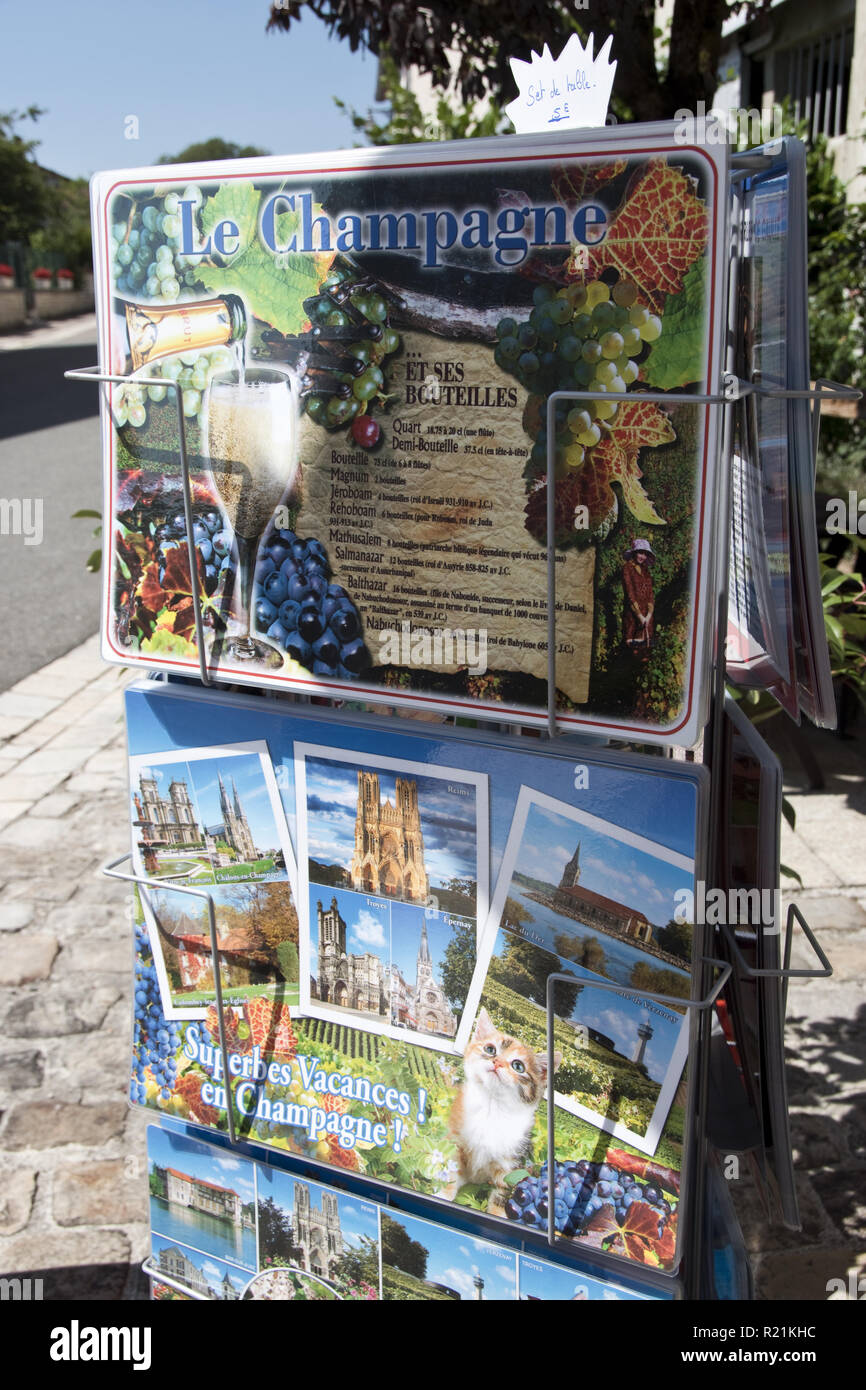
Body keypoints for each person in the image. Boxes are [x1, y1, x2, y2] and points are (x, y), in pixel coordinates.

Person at [622, 538, 656, 660]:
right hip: (633, 613)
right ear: (634, 553)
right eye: (640, 552)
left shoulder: (646, 571)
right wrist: (640, 616)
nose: (642, 556)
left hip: (646, 615)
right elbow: (629, 592)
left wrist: (649, 615)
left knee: (646, 649)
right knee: (632, 649)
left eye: (645, 554)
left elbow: (650, 593)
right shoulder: (627, 568)